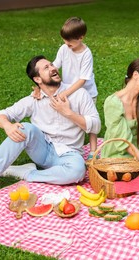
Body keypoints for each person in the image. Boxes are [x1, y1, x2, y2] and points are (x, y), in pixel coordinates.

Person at [0, 55, 101, 201]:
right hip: (43, 150)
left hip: (70, 153)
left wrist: (68, 113)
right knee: (24, 128)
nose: (53, 68)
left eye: (52, 65)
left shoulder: (79, 94)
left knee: (78, 171)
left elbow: (96, 124)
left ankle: (27, 173)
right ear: (37, 79)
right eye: (46, 67)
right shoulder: (32, 100)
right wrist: (8, 126)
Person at [35, 17, 99, 160]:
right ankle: (72, 145)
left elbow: (83, 80)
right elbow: (55, 66)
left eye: (69, 42)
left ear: (81, 38)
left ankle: (93, 150)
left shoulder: (86, 54)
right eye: (64, 41)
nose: (66, 44)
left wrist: (65, 93)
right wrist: (42, 85)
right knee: (72, 116)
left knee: (90, 121)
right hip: (68, 90)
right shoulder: (64, 49)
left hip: (86, 92)